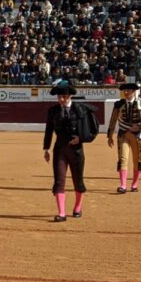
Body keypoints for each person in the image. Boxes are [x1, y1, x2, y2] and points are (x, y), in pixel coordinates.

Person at [43, 81, 94, 222]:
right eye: (59, 97)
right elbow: (49, 130)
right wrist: (46, 148)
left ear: (70, 96)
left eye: (64, 97)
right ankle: (62, 213)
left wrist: (80, 139)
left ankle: (78, 207)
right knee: (59, 181)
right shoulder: (53, 110)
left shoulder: (80, 109)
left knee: (78, 181)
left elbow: (91, 129)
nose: (61, 99)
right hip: (59, 149)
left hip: (76, 150)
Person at [107, 82, 141, 193]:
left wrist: (140, 126)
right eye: (125, 91)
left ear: (134, 92)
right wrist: (110, 135)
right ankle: (123, 185)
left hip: (137, 135)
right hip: (123, 134)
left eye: (129, 90)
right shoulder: (119, 104)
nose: (126, 93)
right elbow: (113, 119)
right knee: (123, 159)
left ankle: (134, 184)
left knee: (137, 160)